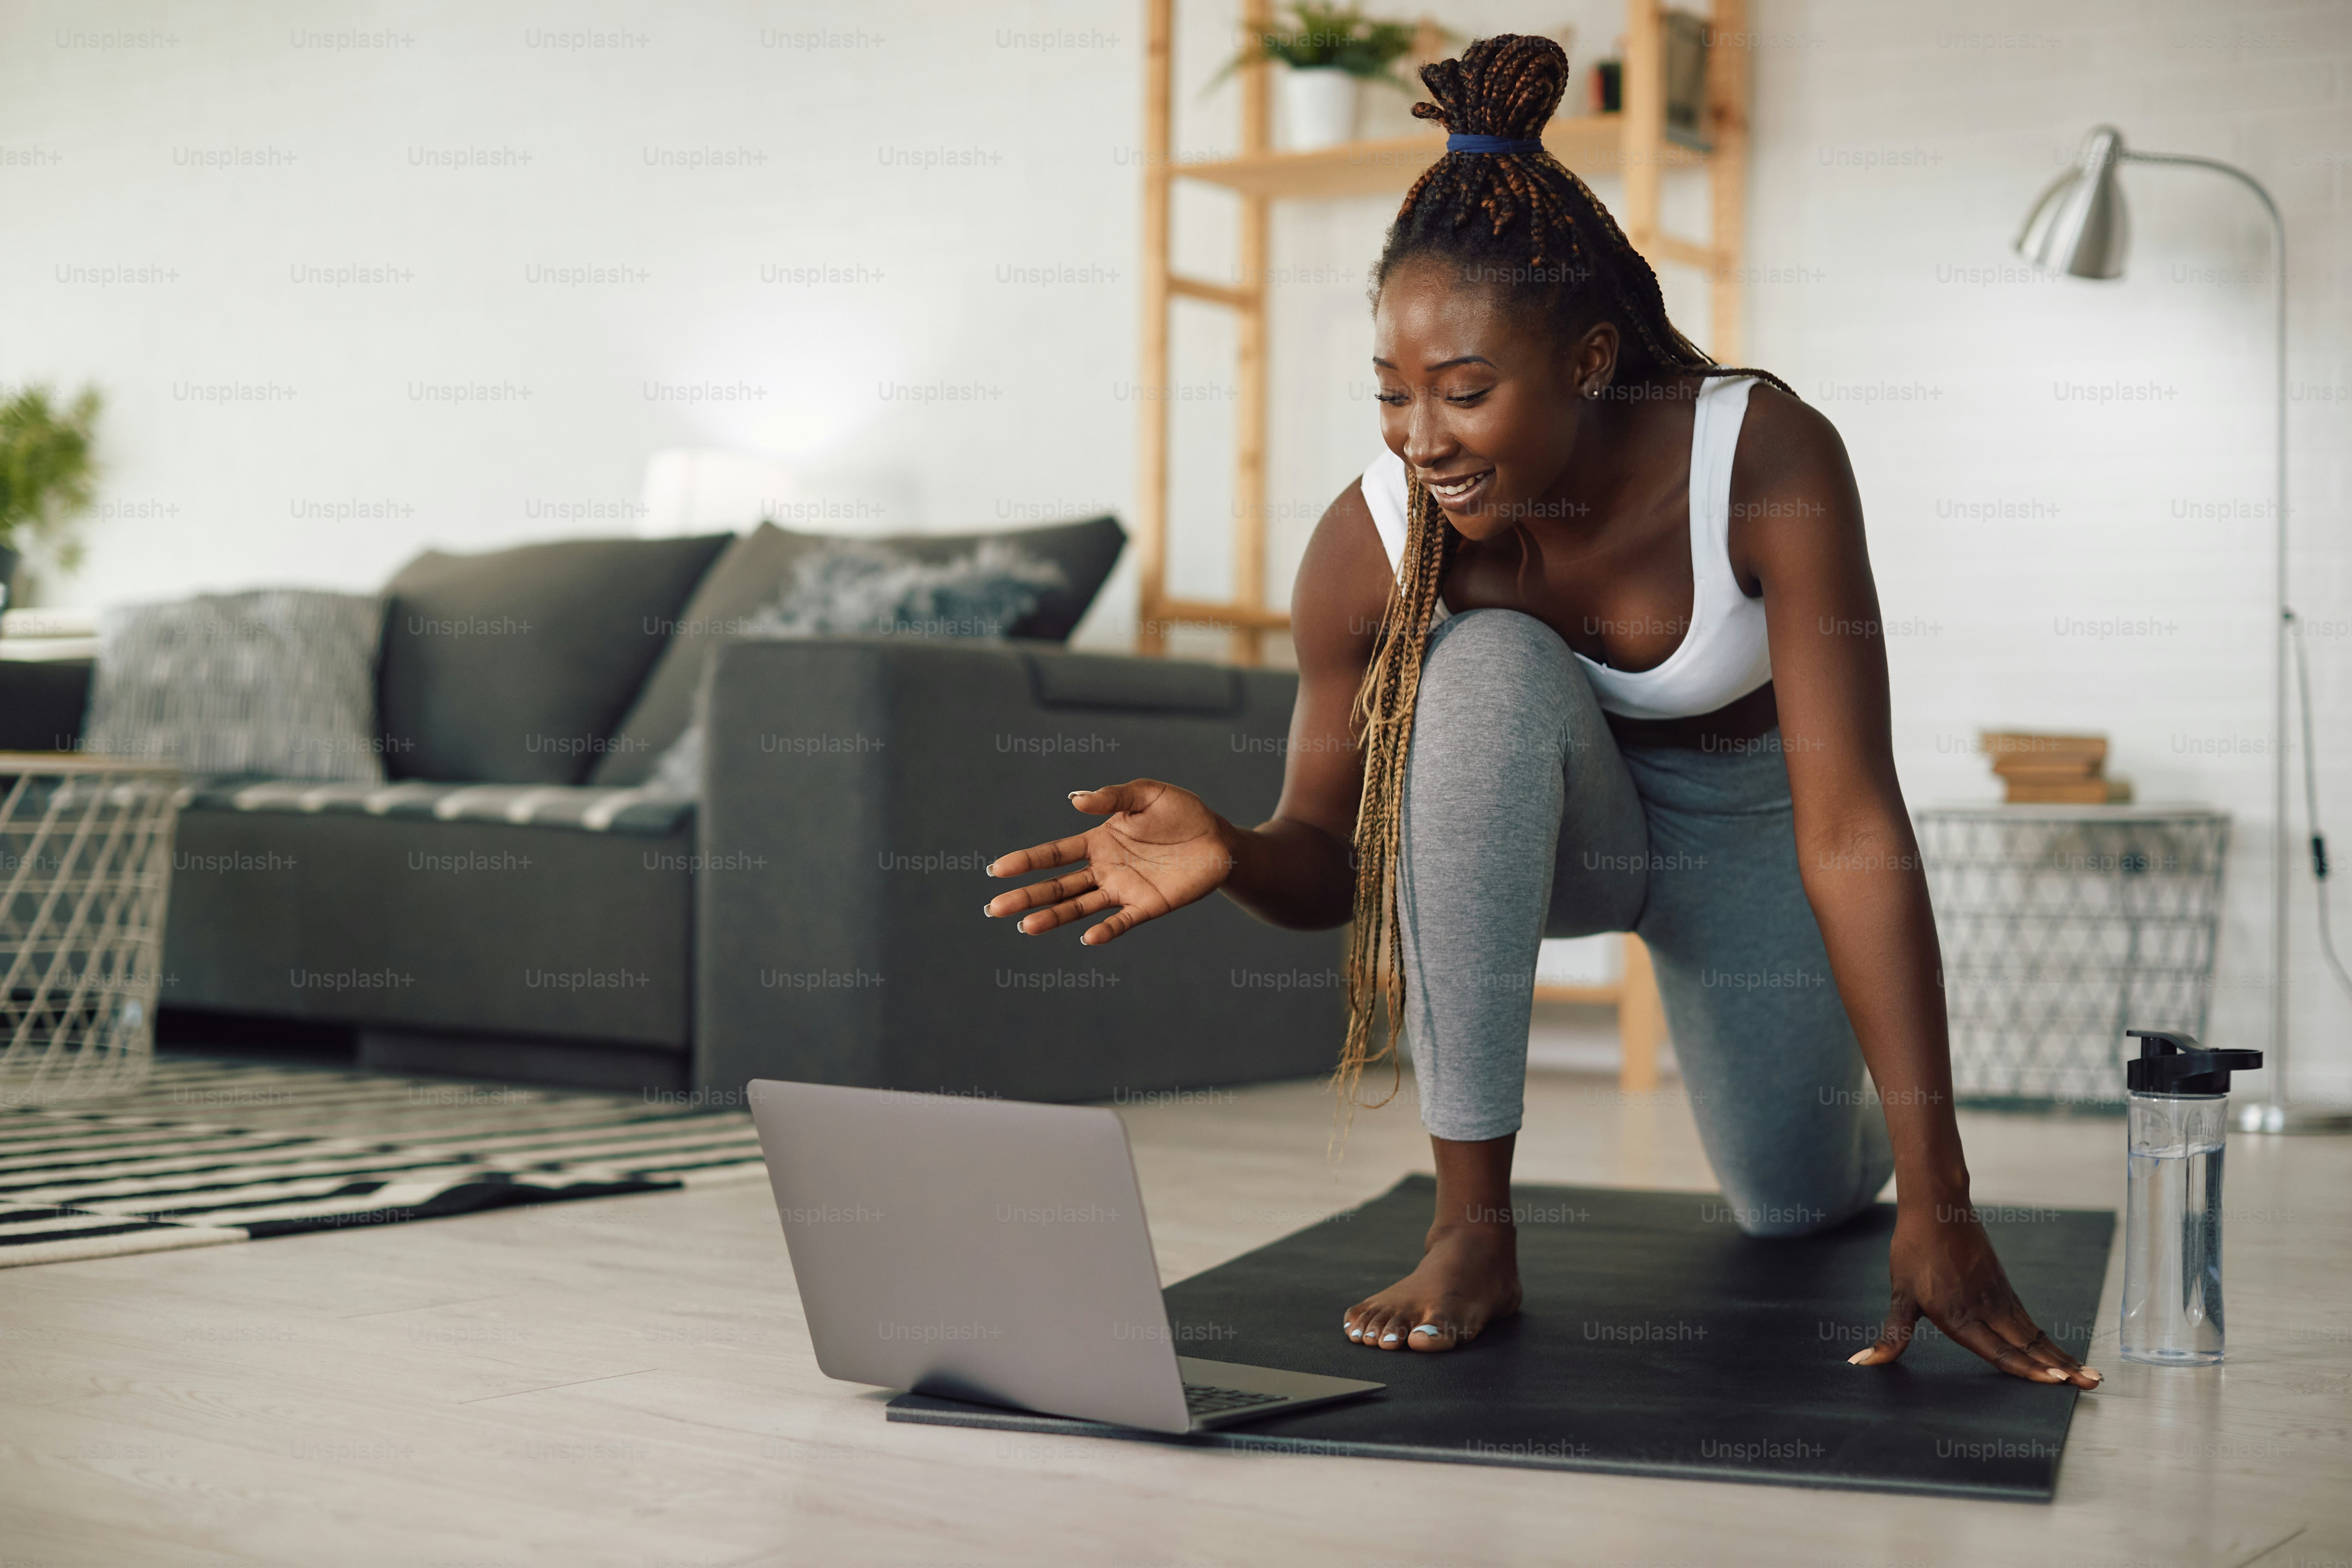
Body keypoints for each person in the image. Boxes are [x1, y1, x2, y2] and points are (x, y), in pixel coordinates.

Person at [984, 33, 2098, 1391]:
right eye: (1393, 395)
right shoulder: (1367, 545)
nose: (1422, 439)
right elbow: (1337, 865)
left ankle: (1846, 1136)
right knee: (1487, 667)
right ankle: (1474, 1227)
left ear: (1584, 358)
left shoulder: (1764, 456)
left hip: (1752, 840)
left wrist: (1942, 1200)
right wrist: (1235, 852)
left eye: (1465, 393)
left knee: (1794, 1205)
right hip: (1565, 832)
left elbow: (1854, 826)